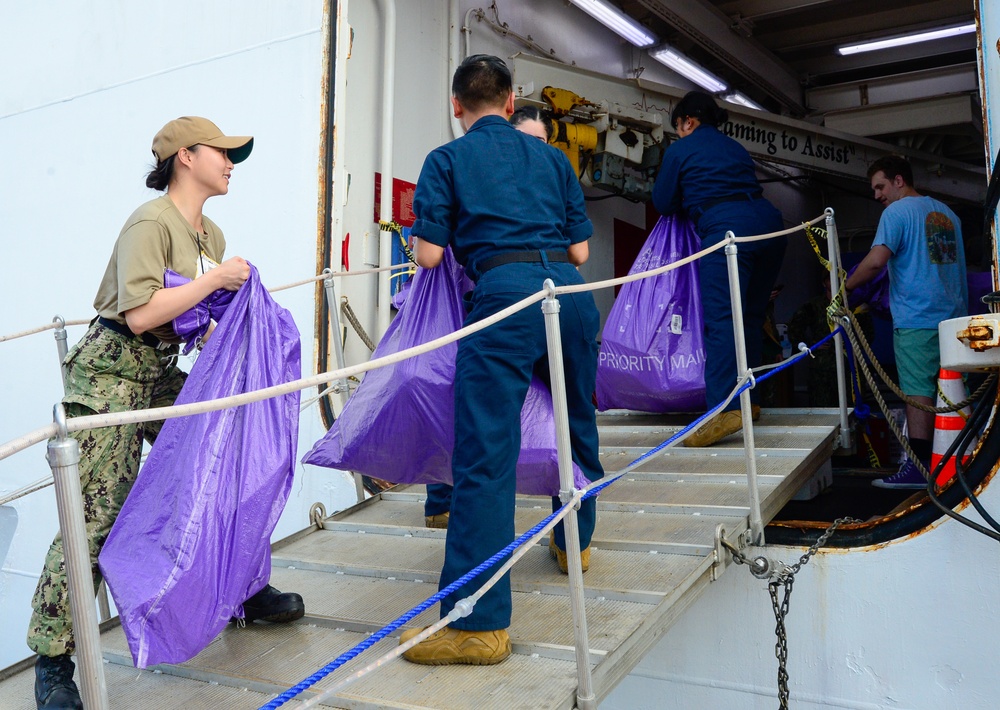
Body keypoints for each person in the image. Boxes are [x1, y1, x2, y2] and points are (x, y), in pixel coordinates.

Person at [28, 117, 305, 709]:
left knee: (230, 459)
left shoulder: (213, 233)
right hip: (109, 376)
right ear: (185, 157)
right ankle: (53, 663)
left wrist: (217, 326)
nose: (231, 162)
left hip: (156, 373)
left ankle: (238, 588)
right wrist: (218, 285)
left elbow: (185, 314)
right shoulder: (150, 222)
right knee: (96, 512)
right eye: (222, 152)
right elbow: (139, 316)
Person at [400, 54, 604, 666]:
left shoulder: (447, 159)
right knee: (577, 421)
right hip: (569, 297)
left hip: (504, 299)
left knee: (485, 458)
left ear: (456, 107)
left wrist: (425, 238)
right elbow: (581, 248)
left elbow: (430, 256)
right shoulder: (551, 157)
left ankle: (477, 624)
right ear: (512, 103)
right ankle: (575, 544)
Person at [421, 103, 559, 532]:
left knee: (510, 414)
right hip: (477, 295)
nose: (534, 149)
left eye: (542, 143)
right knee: (457, 398)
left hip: (523, 299)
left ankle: (558, 519)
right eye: (529, 139)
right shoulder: (471, 165)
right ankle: (441, 498)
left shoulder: (464, 161)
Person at [651, 91, 786, 446]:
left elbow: (664, 202)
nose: (679, 133)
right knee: (752, 318)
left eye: (678, 127)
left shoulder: (682, 149)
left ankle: (722, 412)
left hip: (729, 232)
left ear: (688, 122)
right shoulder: (736, 149)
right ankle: (749, 402)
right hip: (771, 226)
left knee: (723, 320)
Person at [845, 155, 967, 489]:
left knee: (918, 394)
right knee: (955, 393)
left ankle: (917, 469)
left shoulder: (896, 213)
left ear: (899, 180)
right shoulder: (949, 215)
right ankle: (962, 462)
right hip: (955, 319)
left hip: (917, 318)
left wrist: (845, 287)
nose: (877, 195)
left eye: (880, 186)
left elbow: (875, 262)